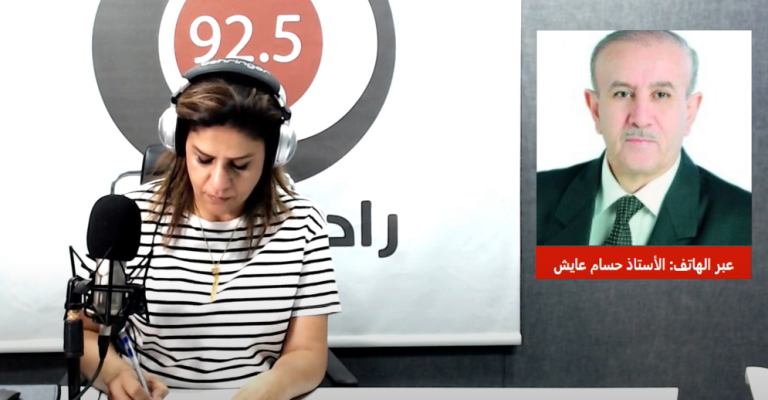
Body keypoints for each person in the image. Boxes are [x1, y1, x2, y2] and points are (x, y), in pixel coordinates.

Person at [78, 59, 343, 400]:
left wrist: (270, 390)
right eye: (203, 159)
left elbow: (307, 353)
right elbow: (85, 332)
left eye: (240, 165)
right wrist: (116, 375)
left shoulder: (303, 223)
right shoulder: (131, 216)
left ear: (272, 155)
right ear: (179, 143)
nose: (218, 183)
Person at [537, 30, 751, 246]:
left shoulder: (748, 223)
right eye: (622, 93)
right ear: (596, 110)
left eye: (661, 94)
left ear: (689, 112)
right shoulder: (531, 199)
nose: (640, 119)